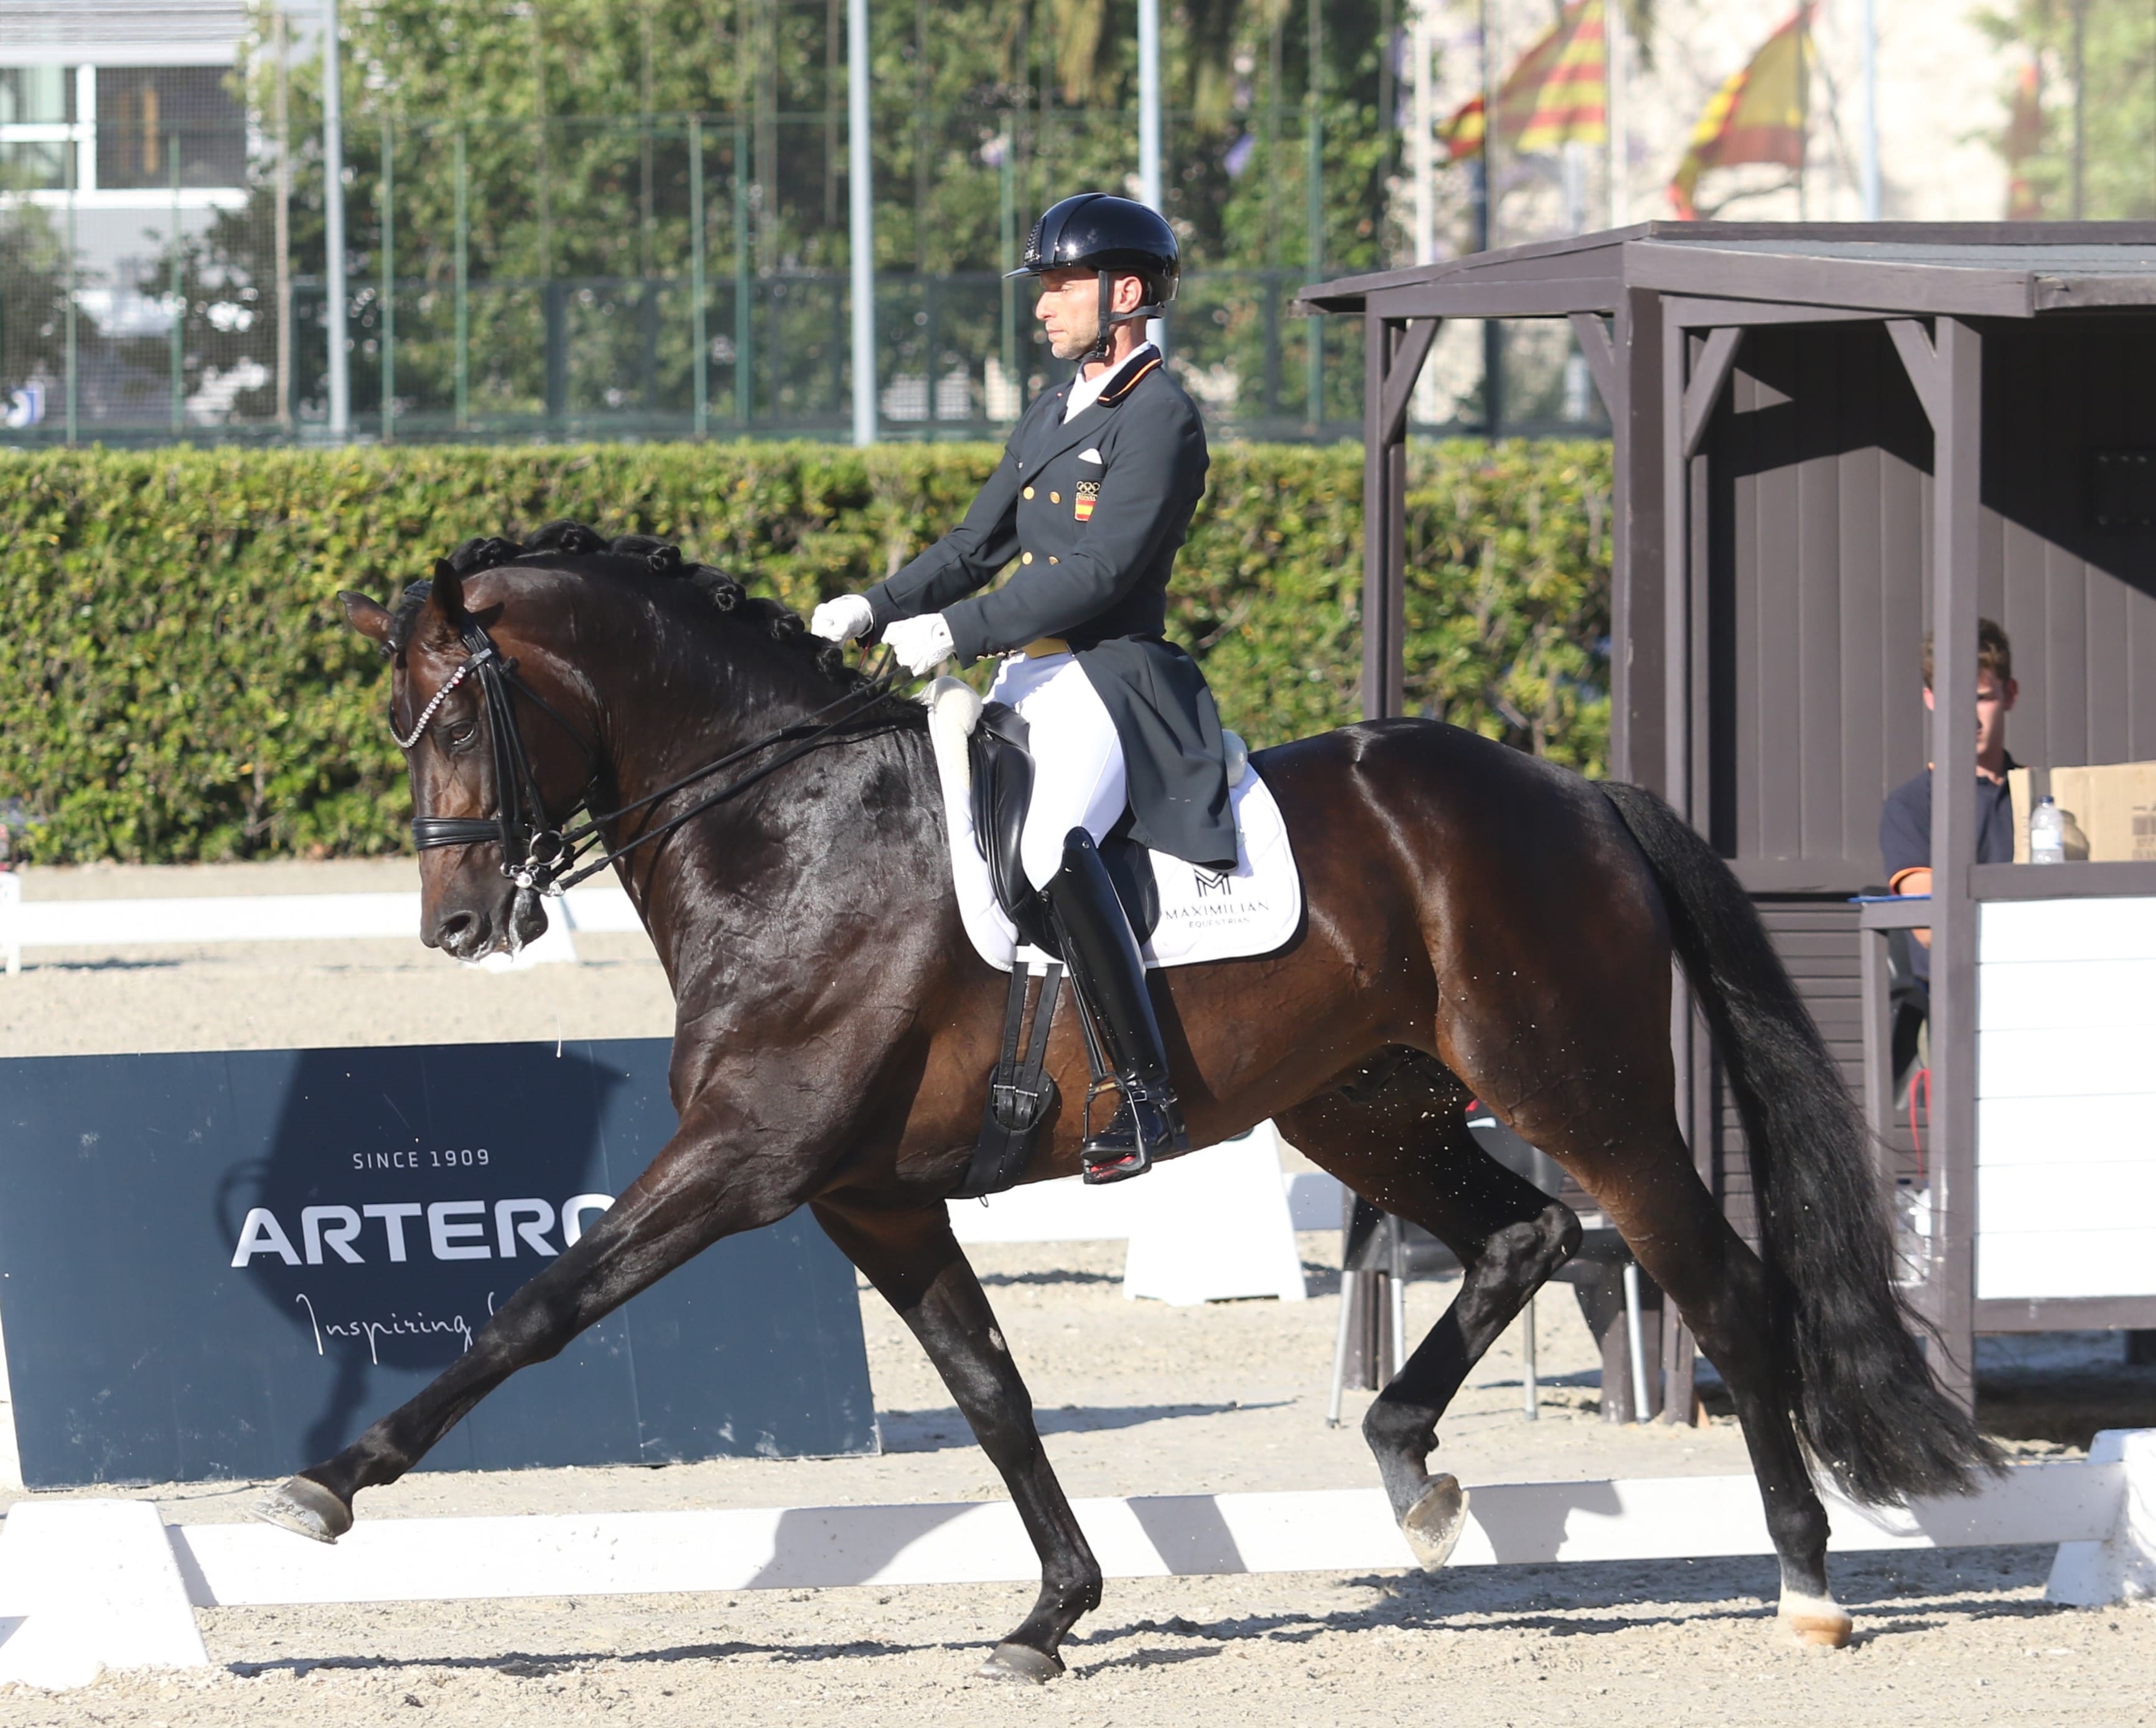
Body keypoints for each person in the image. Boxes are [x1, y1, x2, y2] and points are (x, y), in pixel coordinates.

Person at [811, 192, 1234, 1184]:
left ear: (1123, 292)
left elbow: (1098, 573)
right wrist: (871, 606)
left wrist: (956, 630)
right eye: (1041, 287)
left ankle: (1147, 1096)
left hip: (1108, 673)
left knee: (1048, 843)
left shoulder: (1161, 417)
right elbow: (974, 546)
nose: (1042, 306)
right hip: (1028, 670)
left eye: (1059, 286)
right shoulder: (1054, 410)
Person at [1878, 617, 2019, 1083]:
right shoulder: (1910, 806)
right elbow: (1931, 926)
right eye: (1956, 699)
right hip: (1955, 1008)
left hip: (2042, 990)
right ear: (1930, 699)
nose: (1969, 715)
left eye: (1982, 697)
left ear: (2009, 695)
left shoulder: (2044, 799)